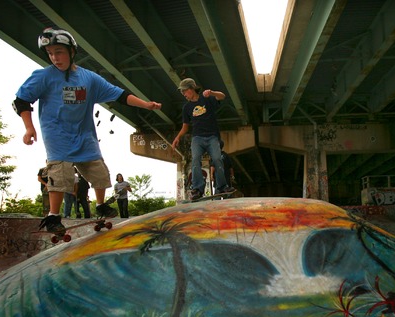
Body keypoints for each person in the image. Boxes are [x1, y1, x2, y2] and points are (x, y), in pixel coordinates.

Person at [13, 27, 161, 234]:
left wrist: (145, 104)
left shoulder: (89, 78)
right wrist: (29, 128)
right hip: (57, 134)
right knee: (60, 174)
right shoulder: (43, 76)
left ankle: (100, 206)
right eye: (50, 53)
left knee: (99, 173)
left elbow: (119, 95)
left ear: (72, 51)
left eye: (59, 52)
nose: (55, 58)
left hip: (84, 134)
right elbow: (21, 101)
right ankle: (53, 216)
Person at [172, 78, 234, 200]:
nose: (184, 95)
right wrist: (177, 138)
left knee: (217, 159)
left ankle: (222, 186)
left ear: (191, 89)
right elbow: (185, 126)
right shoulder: (187, 108)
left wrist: (212, 93)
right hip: (197, 138)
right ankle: (197, 189)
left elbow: (222, 96)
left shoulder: (207, 99)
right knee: (195, 160)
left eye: (184, 92)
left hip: (212, 137)